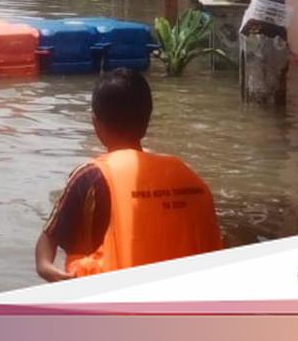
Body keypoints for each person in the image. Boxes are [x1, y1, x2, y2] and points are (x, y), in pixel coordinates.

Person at [35, 69, 223, 282]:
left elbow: (47, 242)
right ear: (147, 121)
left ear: (96, 124)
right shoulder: (190, 176)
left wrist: (47, 270)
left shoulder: (90, 176)